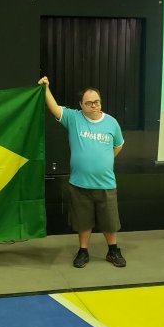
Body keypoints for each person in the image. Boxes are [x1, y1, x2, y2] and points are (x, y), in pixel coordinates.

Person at [37, 76, 126, 268]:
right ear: (81, 105)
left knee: (110, 222)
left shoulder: (112, 123)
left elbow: (118, 145)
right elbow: (54, 108)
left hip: (106, 183)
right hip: (79, 183)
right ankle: (83, 251)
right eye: (89, 103)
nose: (93, 106)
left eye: (96, 102)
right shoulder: (74, 118)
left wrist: (105, 161)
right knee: (82, 221)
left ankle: (113, 250)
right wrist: (45, 88)